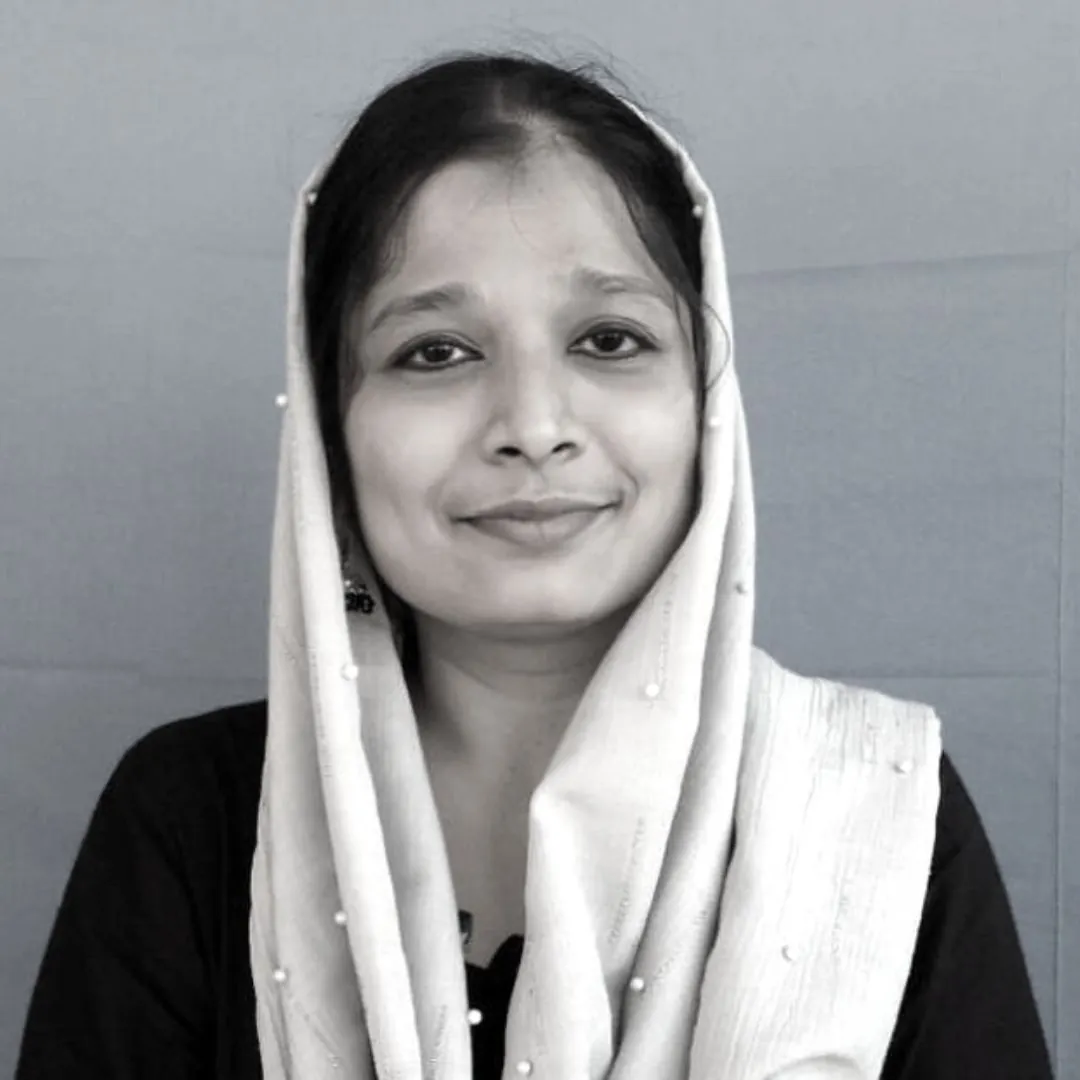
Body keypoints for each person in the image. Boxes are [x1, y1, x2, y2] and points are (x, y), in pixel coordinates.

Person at [16, 48, 1053, 1080]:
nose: (534, 425)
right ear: (330, 431)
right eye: (436, 351)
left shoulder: (870, 814)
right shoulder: (194, 822)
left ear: (706, 402)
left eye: (609, 340)